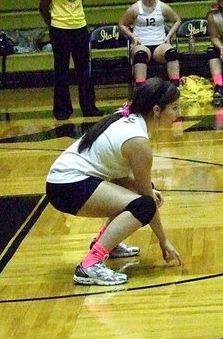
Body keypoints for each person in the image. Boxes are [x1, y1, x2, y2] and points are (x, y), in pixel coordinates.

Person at [45, 78, 183, 286]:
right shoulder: (138, 142)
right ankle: (90, 265)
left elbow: (122, 177)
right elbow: (146, 201)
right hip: (68, 187)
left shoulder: (127, 117)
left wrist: (148, 191)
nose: (177, 114)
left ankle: (108, 242)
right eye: (174, 108)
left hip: (64, 181)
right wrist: (163, 240)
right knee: (144, 205)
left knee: (147, 194)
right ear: (156, 110)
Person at [40, 0, 102, 120]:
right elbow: (43, 6)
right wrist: (53, 24)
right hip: (60, 29)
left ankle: (89, 107)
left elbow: (81, 0)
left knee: (84, 70)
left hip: (80, 28)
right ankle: (62, 110)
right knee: (62, 70)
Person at [118, 0, 182, 88]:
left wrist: (169, 35)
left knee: (172, 52)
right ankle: (140, 88)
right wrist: (133, 37)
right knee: (140, 55)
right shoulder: (135, 8)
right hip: (141, 44)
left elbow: (177, 20)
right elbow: (122, 24)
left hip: (159, 45)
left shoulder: (161, 6)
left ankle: (175, 87)